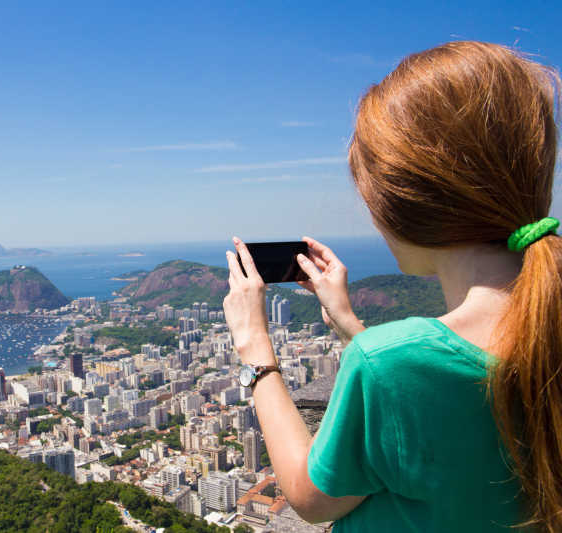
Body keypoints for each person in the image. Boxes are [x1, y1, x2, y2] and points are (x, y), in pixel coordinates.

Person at [222, 41, 561, 532]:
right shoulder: (542, 324)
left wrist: (254, 346)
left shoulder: (389, 362)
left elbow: (310, 499)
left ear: (398, 202)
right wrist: (348, 325)